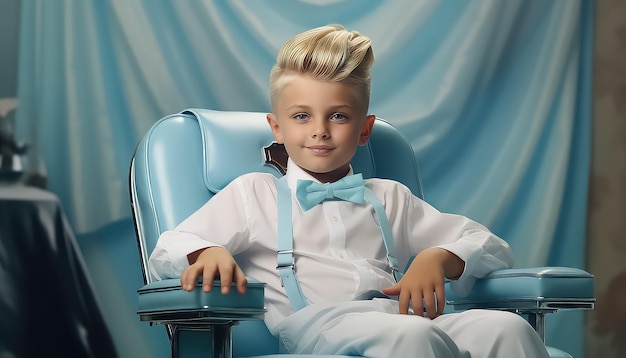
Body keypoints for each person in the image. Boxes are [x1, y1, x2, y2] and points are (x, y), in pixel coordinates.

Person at [149, 24, 549, 357]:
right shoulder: (255, 194)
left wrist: (438, 259)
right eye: (301, 116)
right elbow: (168, 248)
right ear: (277, 128)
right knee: (414, 338)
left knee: (504, 328)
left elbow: (491, 246)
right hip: (322, 330)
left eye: (338, 116)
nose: (320, 129)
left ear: (364, 129)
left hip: (401, 319)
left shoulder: (390, 197)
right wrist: (208, 251)